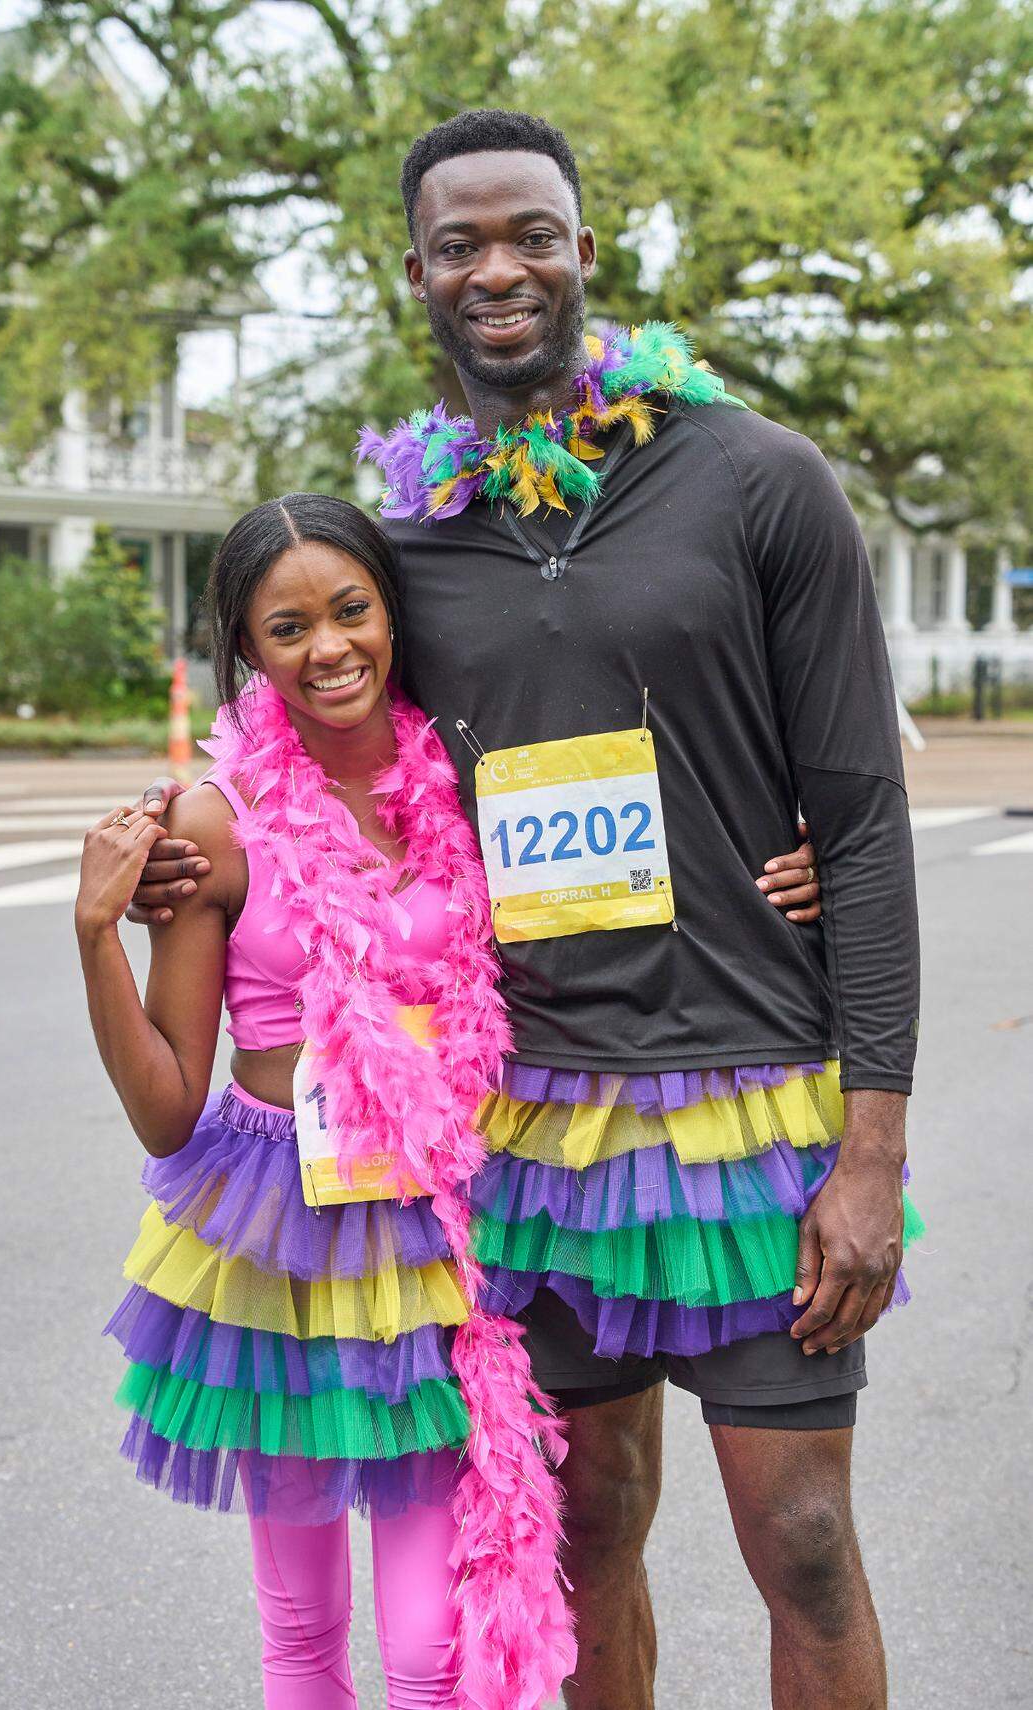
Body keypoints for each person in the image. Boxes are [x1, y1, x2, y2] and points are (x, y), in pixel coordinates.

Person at [131, 111, 922, 1710]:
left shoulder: (756, 477)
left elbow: (859, 817)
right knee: (581, 1530)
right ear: (415, 273)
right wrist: (173, 851)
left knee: (807, 1539)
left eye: (531, 235)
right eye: (462, 245)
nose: (499, 270)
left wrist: (874, 1149)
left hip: (751, 1097)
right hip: (528, 1120)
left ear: (584, 249)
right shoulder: (412, 543)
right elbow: (318, 724)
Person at [76, 494, 578, 1710]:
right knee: (302, 1631)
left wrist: (793, 858)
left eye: (351, 610)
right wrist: (96, 933)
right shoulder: (217, 824)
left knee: (428, 1649)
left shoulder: (465, 780)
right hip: (283, 1235)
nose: (329, 648)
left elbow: (612, 884)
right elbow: (165, 1112)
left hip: (437, 1220)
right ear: (249, 649)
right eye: (288, 627)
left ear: (391, 613)